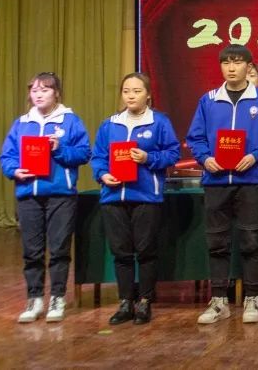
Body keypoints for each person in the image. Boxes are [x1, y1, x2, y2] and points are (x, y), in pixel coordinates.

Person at [186, 44, 258, 325]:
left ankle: (252, 298)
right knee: (217, 242)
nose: (231, 67)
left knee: (251, 241)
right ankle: (219, 300)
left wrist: (255, 156)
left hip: (249, 180)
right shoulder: (208, 100)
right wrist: (205, 158)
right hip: (216, 181)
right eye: (226, 62)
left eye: (237, 62)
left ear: (248, 67)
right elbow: (195, 138)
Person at [0, 72, 90, 323]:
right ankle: (34, 298)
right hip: (29, 195)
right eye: (34, 90)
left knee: (59, 248)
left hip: (61, 195)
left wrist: (59, 149)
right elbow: (7, 156)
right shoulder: (22, 123)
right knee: (32, 251)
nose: (38, 94)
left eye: (45, 90)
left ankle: (57, 297)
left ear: (56, 93)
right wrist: (14, 170)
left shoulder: (70, 121)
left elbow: (83, 153)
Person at [90, 72, 180, 325]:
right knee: (121, 252)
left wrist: (148, 158)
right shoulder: (110, 124)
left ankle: (145, 301)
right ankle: (125, 301)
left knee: (146, 251)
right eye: (126, 91)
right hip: (113, 197)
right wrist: (102, 174)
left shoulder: (159, 122)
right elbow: (98, 156)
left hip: (146, 196)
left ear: (148, 95)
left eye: (137, 91)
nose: (131, 95)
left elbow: (173, 153)